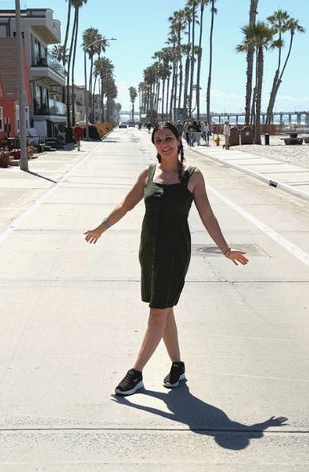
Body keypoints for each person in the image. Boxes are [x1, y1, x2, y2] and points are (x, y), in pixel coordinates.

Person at [84, 121, 249, 396]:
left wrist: (225, 249)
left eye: (169, 138)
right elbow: (125, 206)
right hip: (148, 251)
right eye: (159, 140)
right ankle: (177, 366)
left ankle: (136, 373)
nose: (164, 144)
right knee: (165, 308)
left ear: (179, 140)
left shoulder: (193, 176)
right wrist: (101, 228)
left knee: (157, 311)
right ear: (154, 145)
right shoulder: (148, 174)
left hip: (174, 253)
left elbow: (207, 215)